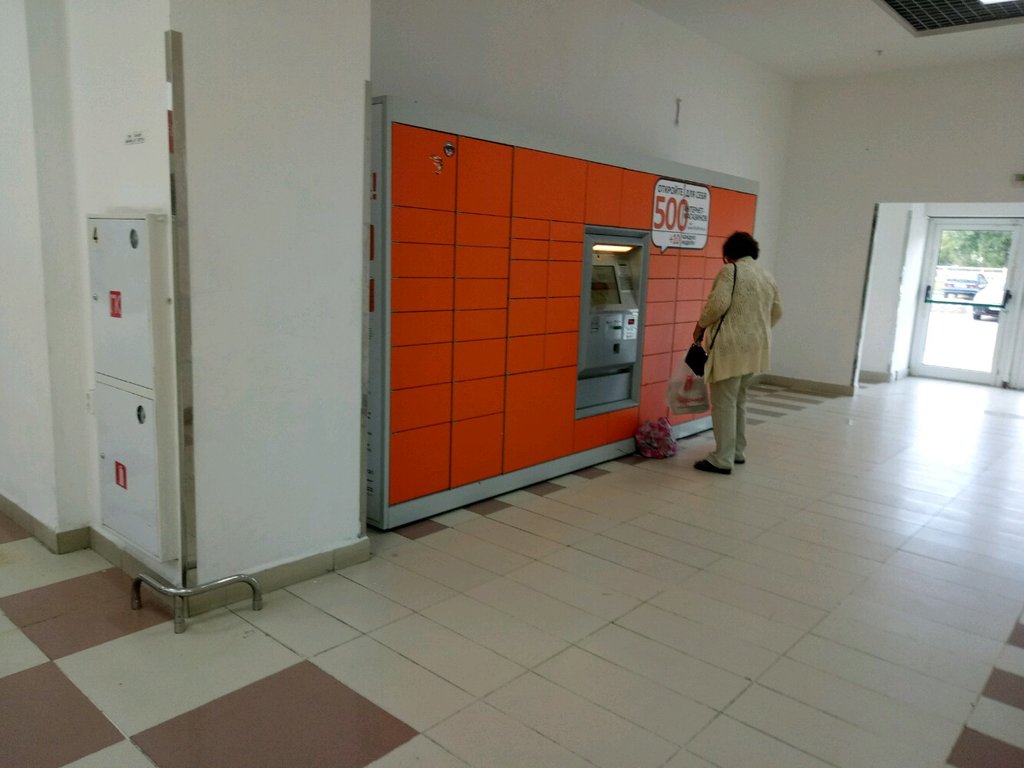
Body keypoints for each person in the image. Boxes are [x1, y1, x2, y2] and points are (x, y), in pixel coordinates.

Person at [691, 231, 782, 475]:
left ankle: (722, 458)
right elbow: (777, 311)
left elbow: (718, 304)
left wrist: (700, 326)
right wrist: (756, 331)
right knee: (739, 400)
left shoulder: (731, 271)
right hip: (755, 350)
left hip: (730, 350)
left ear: (729, 254)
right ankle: (737, 451)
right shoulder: (766, 275)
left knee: (724, 403)